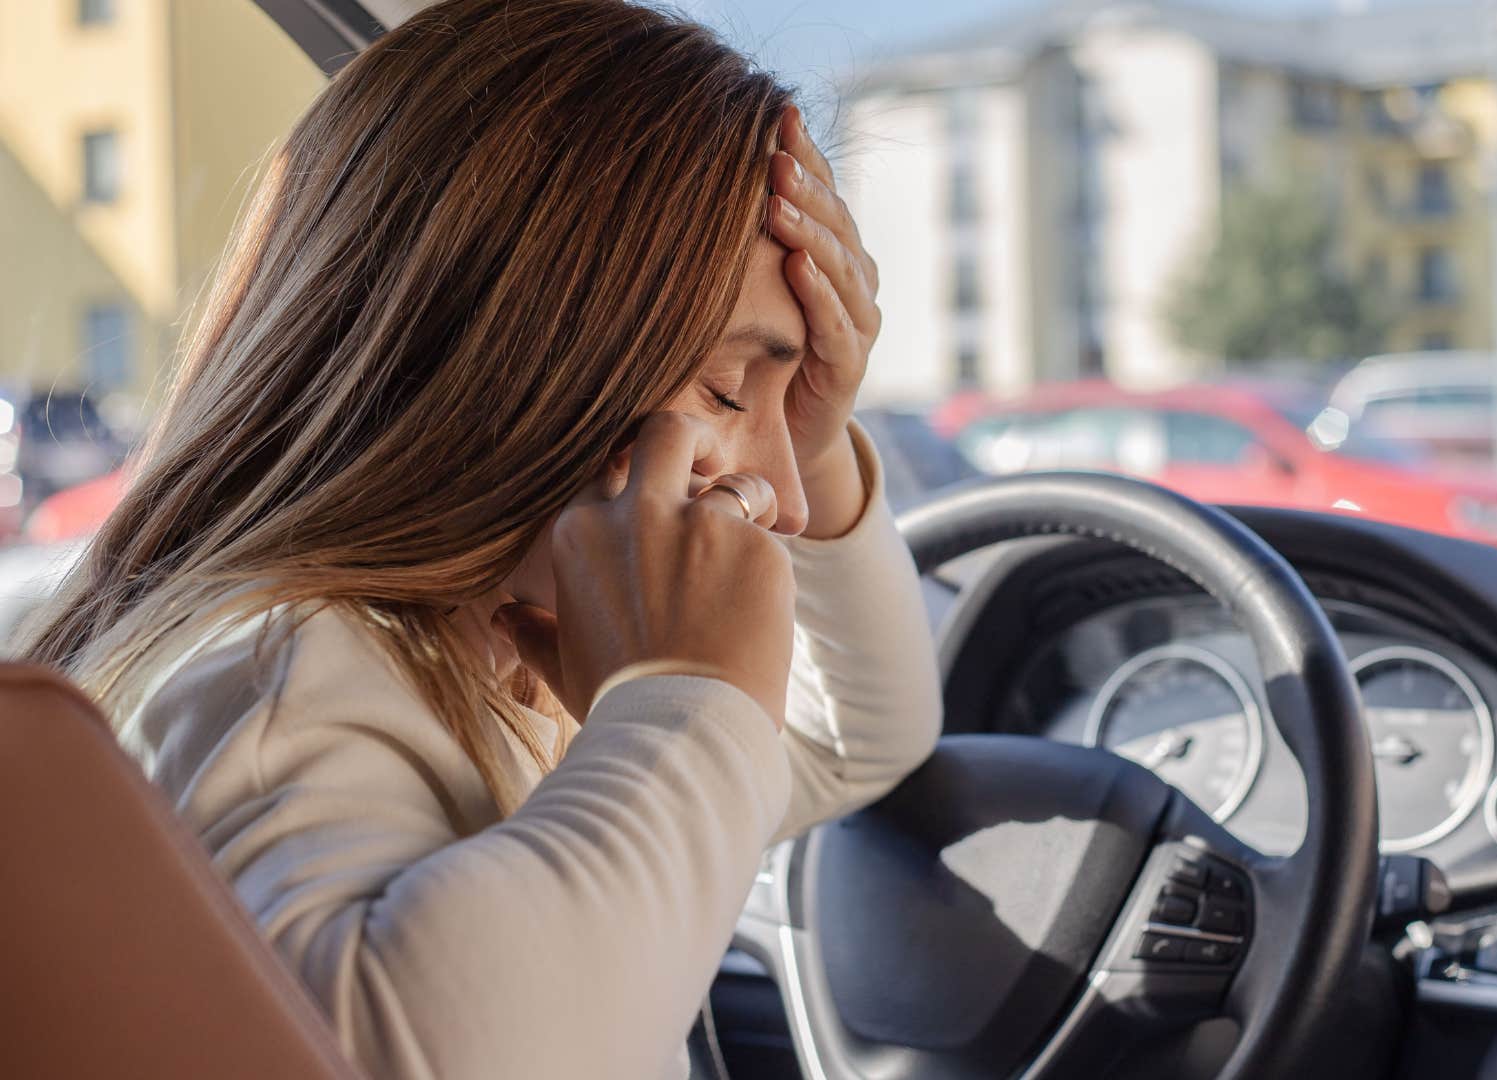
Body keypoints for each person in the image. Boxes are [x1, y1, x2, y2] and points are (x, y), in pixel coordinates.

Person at [21, 1, 941, 1077]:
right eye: (730, 385)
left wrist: (813, 440)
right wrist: (686, 691)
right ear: (511, 365)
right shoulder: (284, 677)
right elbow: (424, 1050)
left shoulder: (505, 658)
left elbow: (859, 737)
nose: (781, 500)